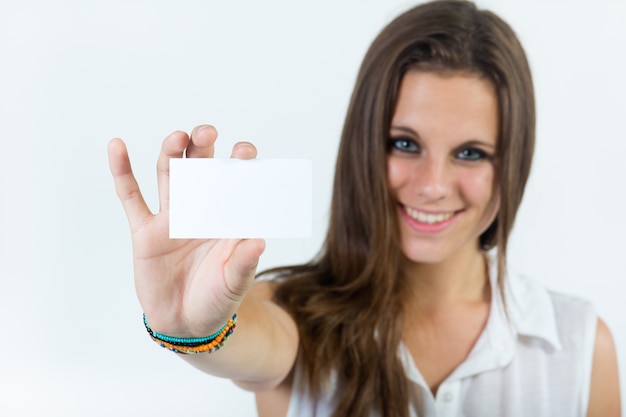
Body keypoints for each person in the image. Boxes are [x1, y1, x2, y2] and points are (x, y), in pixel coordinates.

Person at [107, 1, 620, 416]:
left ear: (512, 162)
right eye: (404, 144)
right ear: (364, 144)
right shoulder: (292, 317)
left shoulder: (578, 345)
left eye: (470, 153)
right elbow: (251, 348)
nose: (434, 185)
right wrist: (194, 331)